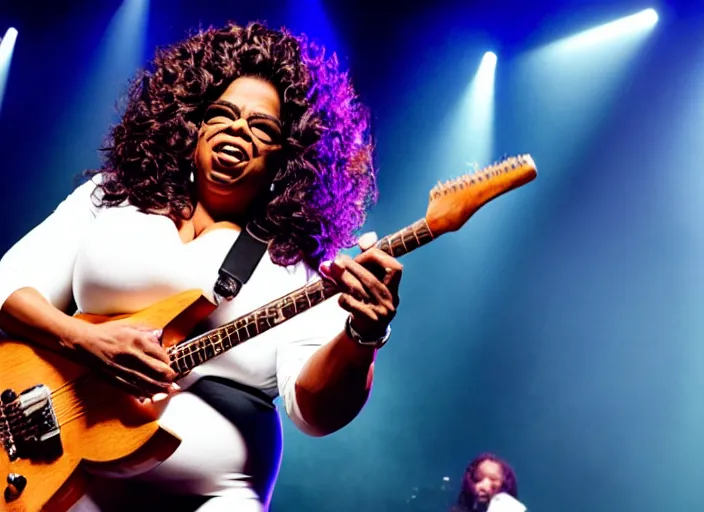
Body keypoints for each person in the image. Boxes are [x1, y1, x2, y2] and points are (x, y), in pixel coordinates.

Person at [0, 21, 402, 511]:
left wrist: (362, 338)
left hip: (217, 497)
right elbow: (8, 284)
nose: (238, 128)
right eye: (223, 114)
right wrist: (82, 339)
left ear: (287, 158)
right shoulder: (111, 199)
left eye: (263, 127)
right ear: (192, 126)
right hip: (60, 470)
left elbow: (314, 414)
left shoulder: (301, 267)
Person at [451, 453, 521, 512]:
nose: (482, 486)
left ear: (505, 485)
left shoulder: (510, 507)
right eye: (477, 479)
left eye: (493, 479)